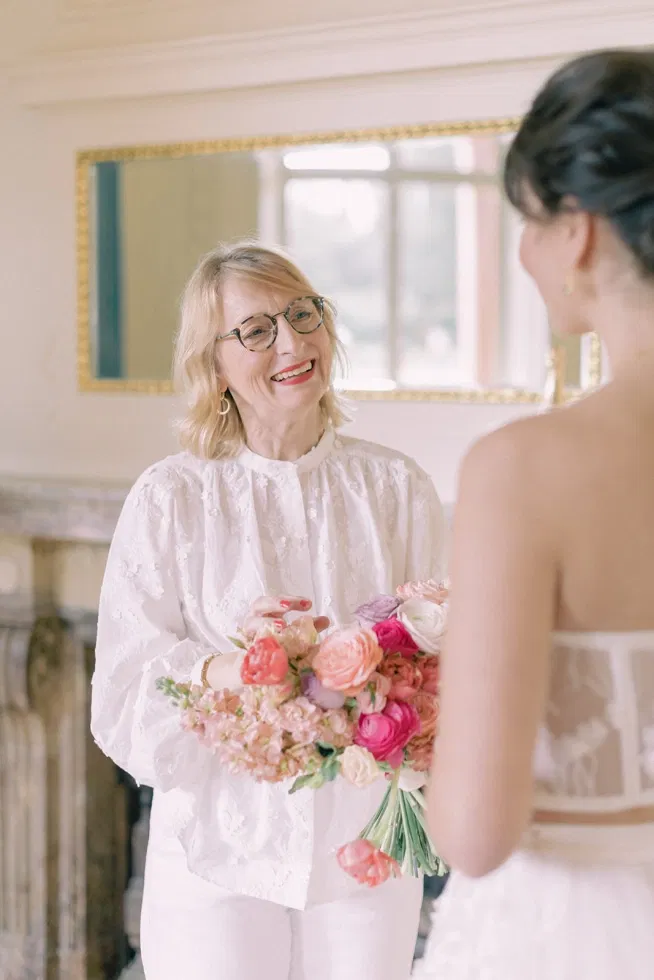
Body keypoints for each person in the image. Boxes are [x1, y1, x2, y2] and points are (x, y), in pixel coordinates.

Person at [90, 242, 445, 980]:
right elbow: (124, 685)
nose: (292, 342)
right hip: (216, 847)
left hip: (364, 845)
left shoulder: (396, 487)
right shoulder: (172, 498)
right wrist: (238, 666)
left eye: (303, 314)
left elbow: (444, 654)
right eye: (256, 329)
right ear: (213, 364)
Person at [415, 48, 654, 979]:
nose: (523, 251)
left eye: (526, 221)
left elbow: (475, 832)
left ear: (579, 230)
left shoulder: (524, 471)